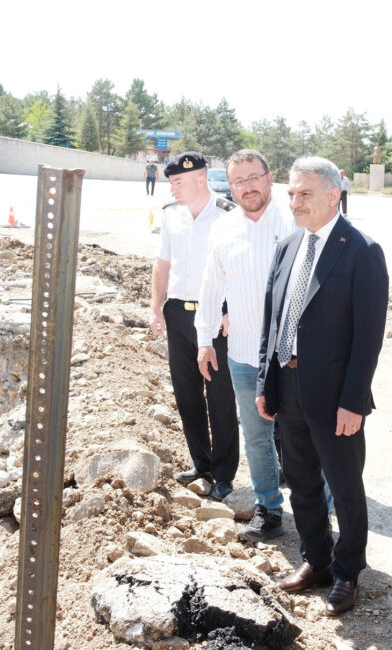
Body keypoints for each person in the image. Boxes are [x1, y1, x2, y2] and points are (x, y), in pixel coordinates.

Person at [255, 156, 388, 616]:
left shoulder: (362, 250)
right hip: (288, 387)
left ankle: (348, 572)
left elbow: (368, 337)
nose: (295, 201)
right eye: (291, 193)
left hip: (336, 399)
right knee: (302, 484)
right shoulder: (288, 245)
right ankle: (316, 561)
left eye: (305, 193)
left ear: (334, 194)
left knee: (346, 489)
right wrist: (264, 381)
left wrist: (353, 402)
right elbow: (273, 322)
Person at [195, 150, 295, 542]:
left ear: (269, 178)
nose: (247, 187)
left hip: (292, 356)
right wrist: (205, 340)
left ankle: (319, 511)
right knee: (256, 437)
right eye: (238, 181)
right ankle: (269, 509)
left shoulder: (293, 220)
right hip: (242, 353)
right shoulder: (223, 229)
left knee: (303, 439)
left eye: (254, 178)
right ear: (229, 186)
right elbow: (210, 288)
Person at [149, 151, 239, 501]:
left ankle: (224, 471)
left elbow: (238, 266)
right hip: (178, 313)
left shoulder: (228, 216)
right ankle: (200, 462)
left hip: (216, 316)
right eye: (170, 182)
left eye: (179, 182)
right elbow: (162, 263)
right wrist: (156, 307)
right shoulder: (171, 216)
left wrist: (232, 309)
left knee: (219, 394)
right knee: (187, 393)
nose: (173, 188)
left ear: (200, 178)